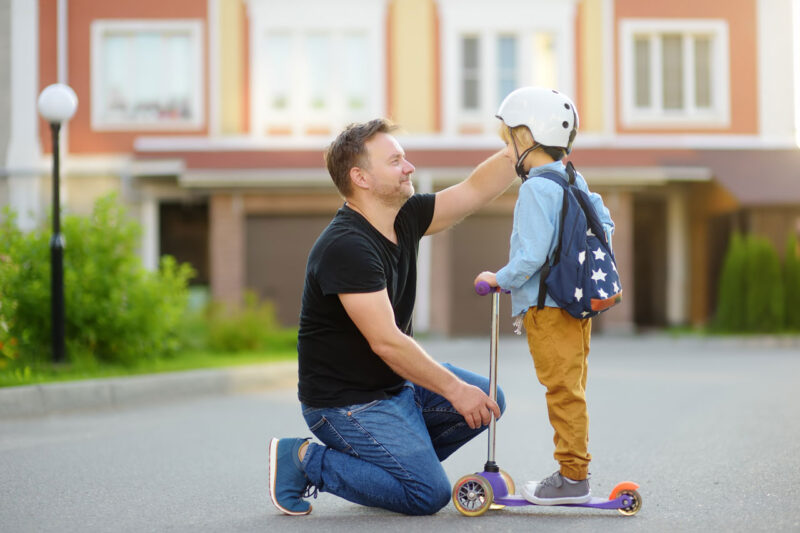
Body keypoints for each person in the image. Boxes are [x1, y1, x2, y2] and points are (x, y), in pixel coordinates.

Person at [269, 118, 517, 516]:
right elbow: (385, 340)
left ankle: (390, 470)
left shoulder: (405, 218)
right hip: (345, 406)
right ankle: (303, 460)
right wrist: (454, 389)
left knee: (490, 401)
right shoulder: (346, 246)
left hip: (394, 388)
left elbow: (472, 191)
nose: (409, 167)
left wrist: (519, 150)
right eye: (396, 161)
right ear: (361, 177)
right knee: (427, 494)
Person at [474, 87, 615, 505]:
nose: (507, 149)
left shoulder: (536, 188)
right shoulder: (573, 177)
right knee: (572, 386)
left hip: (548, 308)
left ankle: (573, 479)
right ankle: (575, 473)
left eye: (509, 140)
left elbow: (531, 256)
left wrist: (498, 277)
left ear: (526, 137)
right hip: (575, 304)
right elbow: (605, 225)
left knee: (561, 390)